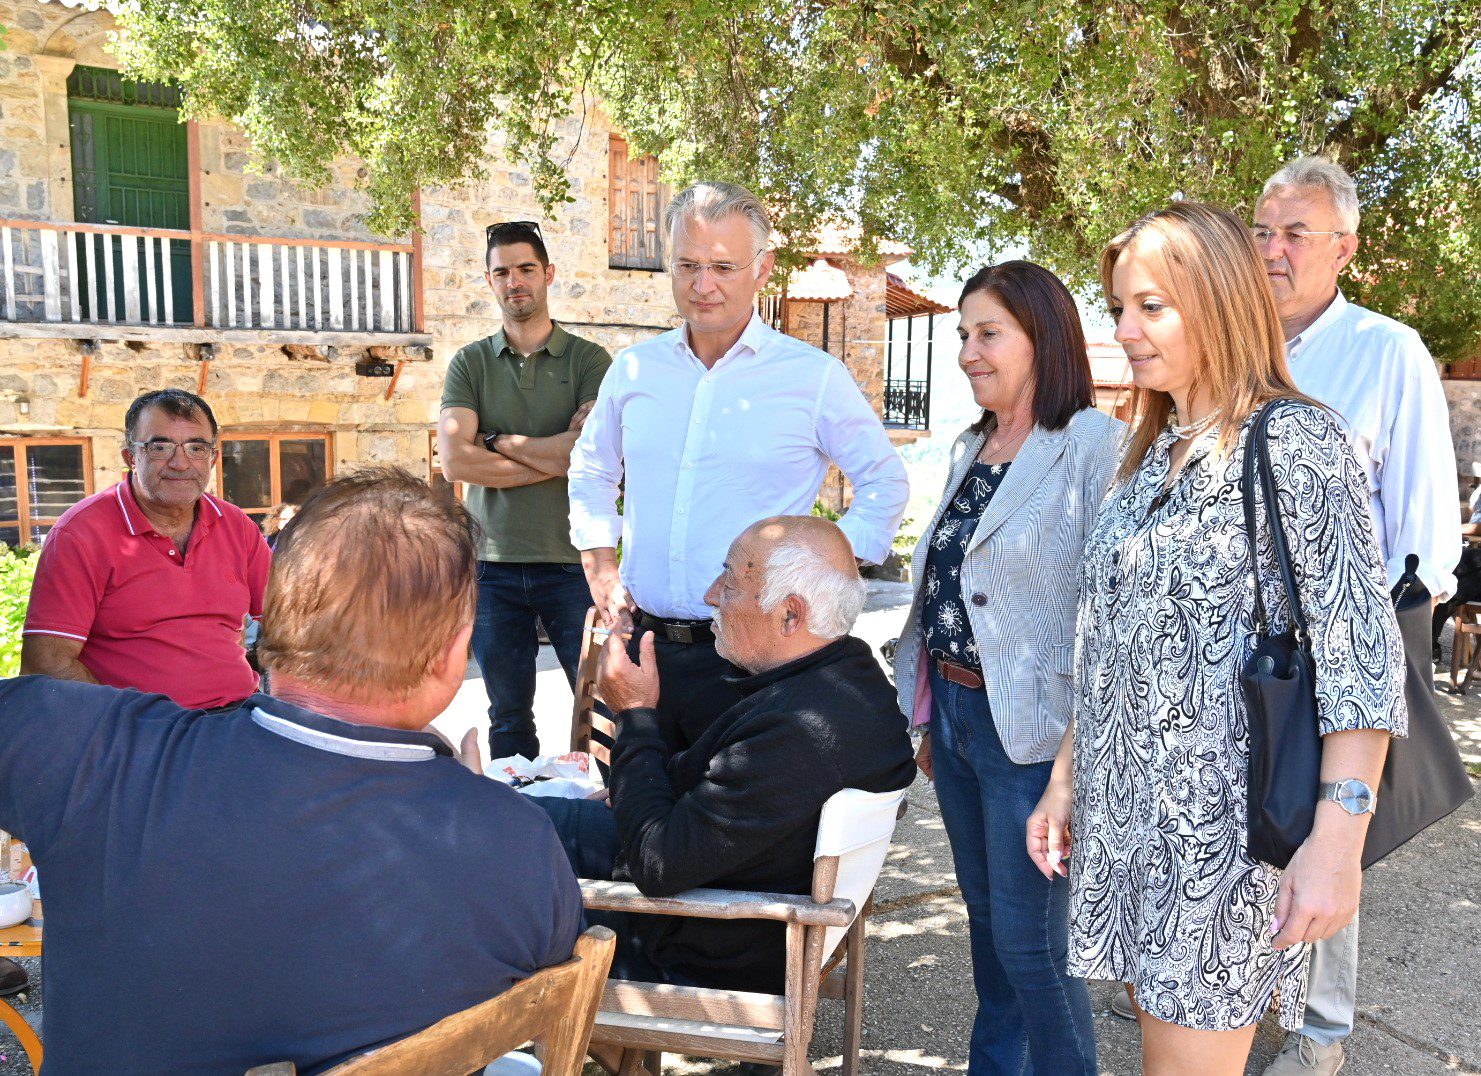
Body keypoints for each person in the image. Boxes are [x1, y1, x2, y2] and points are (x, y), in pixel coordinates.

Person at [0, 468, 582, 1073]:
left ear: (265, 621)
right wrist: (474, 808)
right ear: (454, 654)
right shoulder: (517, 844)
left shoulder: (94, 750)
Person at [1029, 202, 1406, 1076]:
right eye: (1119, 307)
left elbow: (1359, 658)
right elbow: (1111, 644)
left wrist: (1336, 846)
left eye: (1150, 307)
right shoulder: (1150, 453)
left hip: (1220, 844)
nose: (1124, 330)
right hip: (1130, 828)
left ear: (1220, 302)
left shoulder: (1295, 441)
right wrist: (1064, 781)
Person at [1250, 156, 1461, 1076]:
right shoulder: (1231, 339)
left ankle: (1319, 1031)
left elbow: (1423, 522)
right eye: (1262, 230)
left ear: (1343, 247)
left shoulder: (1385, 350)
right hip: (1231, 636)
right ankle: (1222, 988)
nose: (1272, 249)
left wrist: (1385, 646)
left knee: (1324, 825)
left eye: (1294, 233)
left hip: (1335, 639)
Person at [567, 182, 909, 746]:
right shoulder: (633, 370)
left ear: (762, 268)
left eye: (723, 267)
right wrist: (601, 568)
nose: (703, 285)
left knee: (731, 807)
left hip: (755, 664)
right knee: (627, 798)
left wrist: (813, 569)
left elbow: (885, 482)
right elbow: (591, 470)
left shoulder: (812, 378)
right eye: (688, 265)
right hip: (644, 649)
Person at [892, 261, 1121, 1074]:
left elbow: (1110, 611)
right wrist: (929, 715)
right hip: (956, 721)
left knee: (1032, 948)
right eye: (963, 334)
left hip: (1034, 733)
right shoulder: (971, 445)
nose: (966, 352)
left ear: (1042, 337)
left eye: (987, 333)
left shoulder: (1092, 444)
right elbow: (947, 591)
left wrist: (1074, 758)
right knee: (989, 933)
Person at [538, 515, 916, 996]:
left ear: (789, 615)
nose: (711, 595)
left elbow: (655, 865)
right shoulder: (851, 678)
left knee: (490, 885)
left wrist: (634, 715)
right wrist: (641, 784)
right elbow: (721, 789)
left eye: (730, 582)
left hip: (699, 949)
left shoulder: (799, 730)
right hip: (715, 884)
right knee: (510, 819)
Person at [440, 220, 613, 760]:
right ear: (489, 281)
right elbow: (454, 461)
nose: (514, 281)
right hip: (491, 566)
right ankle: (519, 808)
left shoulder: (590, 361)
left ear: (549, 274)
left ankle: (616, 805)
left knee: (601, 707)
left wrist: (495, 441)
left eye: (525, 269)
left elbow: (594, 455)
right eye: (502, 272)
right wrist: (559, 456)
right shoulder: (469, 363)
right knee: (508, 715)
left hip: (574, 562)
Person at [20, 388, 270, 711]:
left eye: (196, 448)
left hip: (236, 716)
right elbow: (45, 664)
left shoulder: (236, 525)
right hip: (134, 727)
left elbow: (289, 623)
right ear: (130, 458)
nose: (180, 463)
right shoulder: (81, 533)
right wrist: (128, 722)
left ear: (213, 458)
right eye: (160, 447)